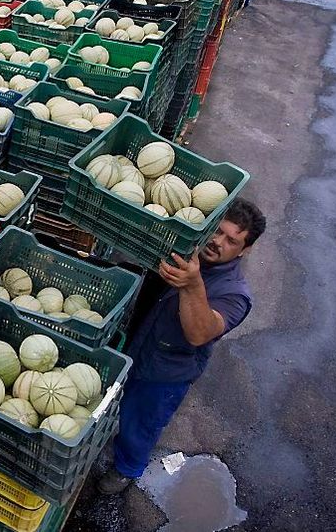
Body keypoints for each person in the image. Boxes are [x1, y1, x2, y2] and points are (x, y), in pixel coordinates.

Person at [97, 198, 267, 494]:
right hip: (132, 341)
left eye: (231, 240)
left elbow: (201, 333)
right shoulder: (186, 245)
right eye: (217, 230)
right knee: (105, 398)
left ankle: (126, 469)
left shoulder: (235, 294)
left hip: (164, 371)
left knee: (139, 425)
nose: (217, 242)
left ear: (246, 249)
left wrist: (193, 284)